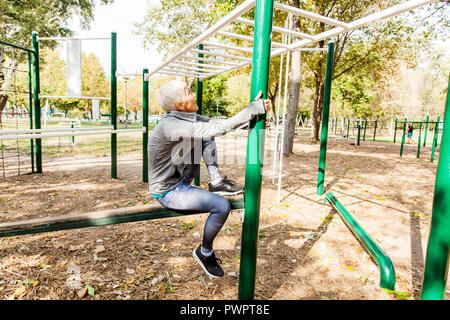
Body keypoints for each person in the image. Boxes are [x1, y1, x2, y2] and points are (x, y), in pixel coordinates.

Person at [147, 80, 271, 278]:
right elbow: (218, 128)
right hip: (169, 190)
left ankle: (216, 182)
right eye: (188, 92)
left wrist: (251, 112)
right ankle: (205, 252)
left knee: (206, 132)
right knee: (222, 206)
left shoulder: (187, 117)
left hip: (182, 176)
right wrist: (251, 109)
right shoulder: (171, 125)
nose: (194, 95)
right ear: (179, 105)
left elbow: (216, 124)